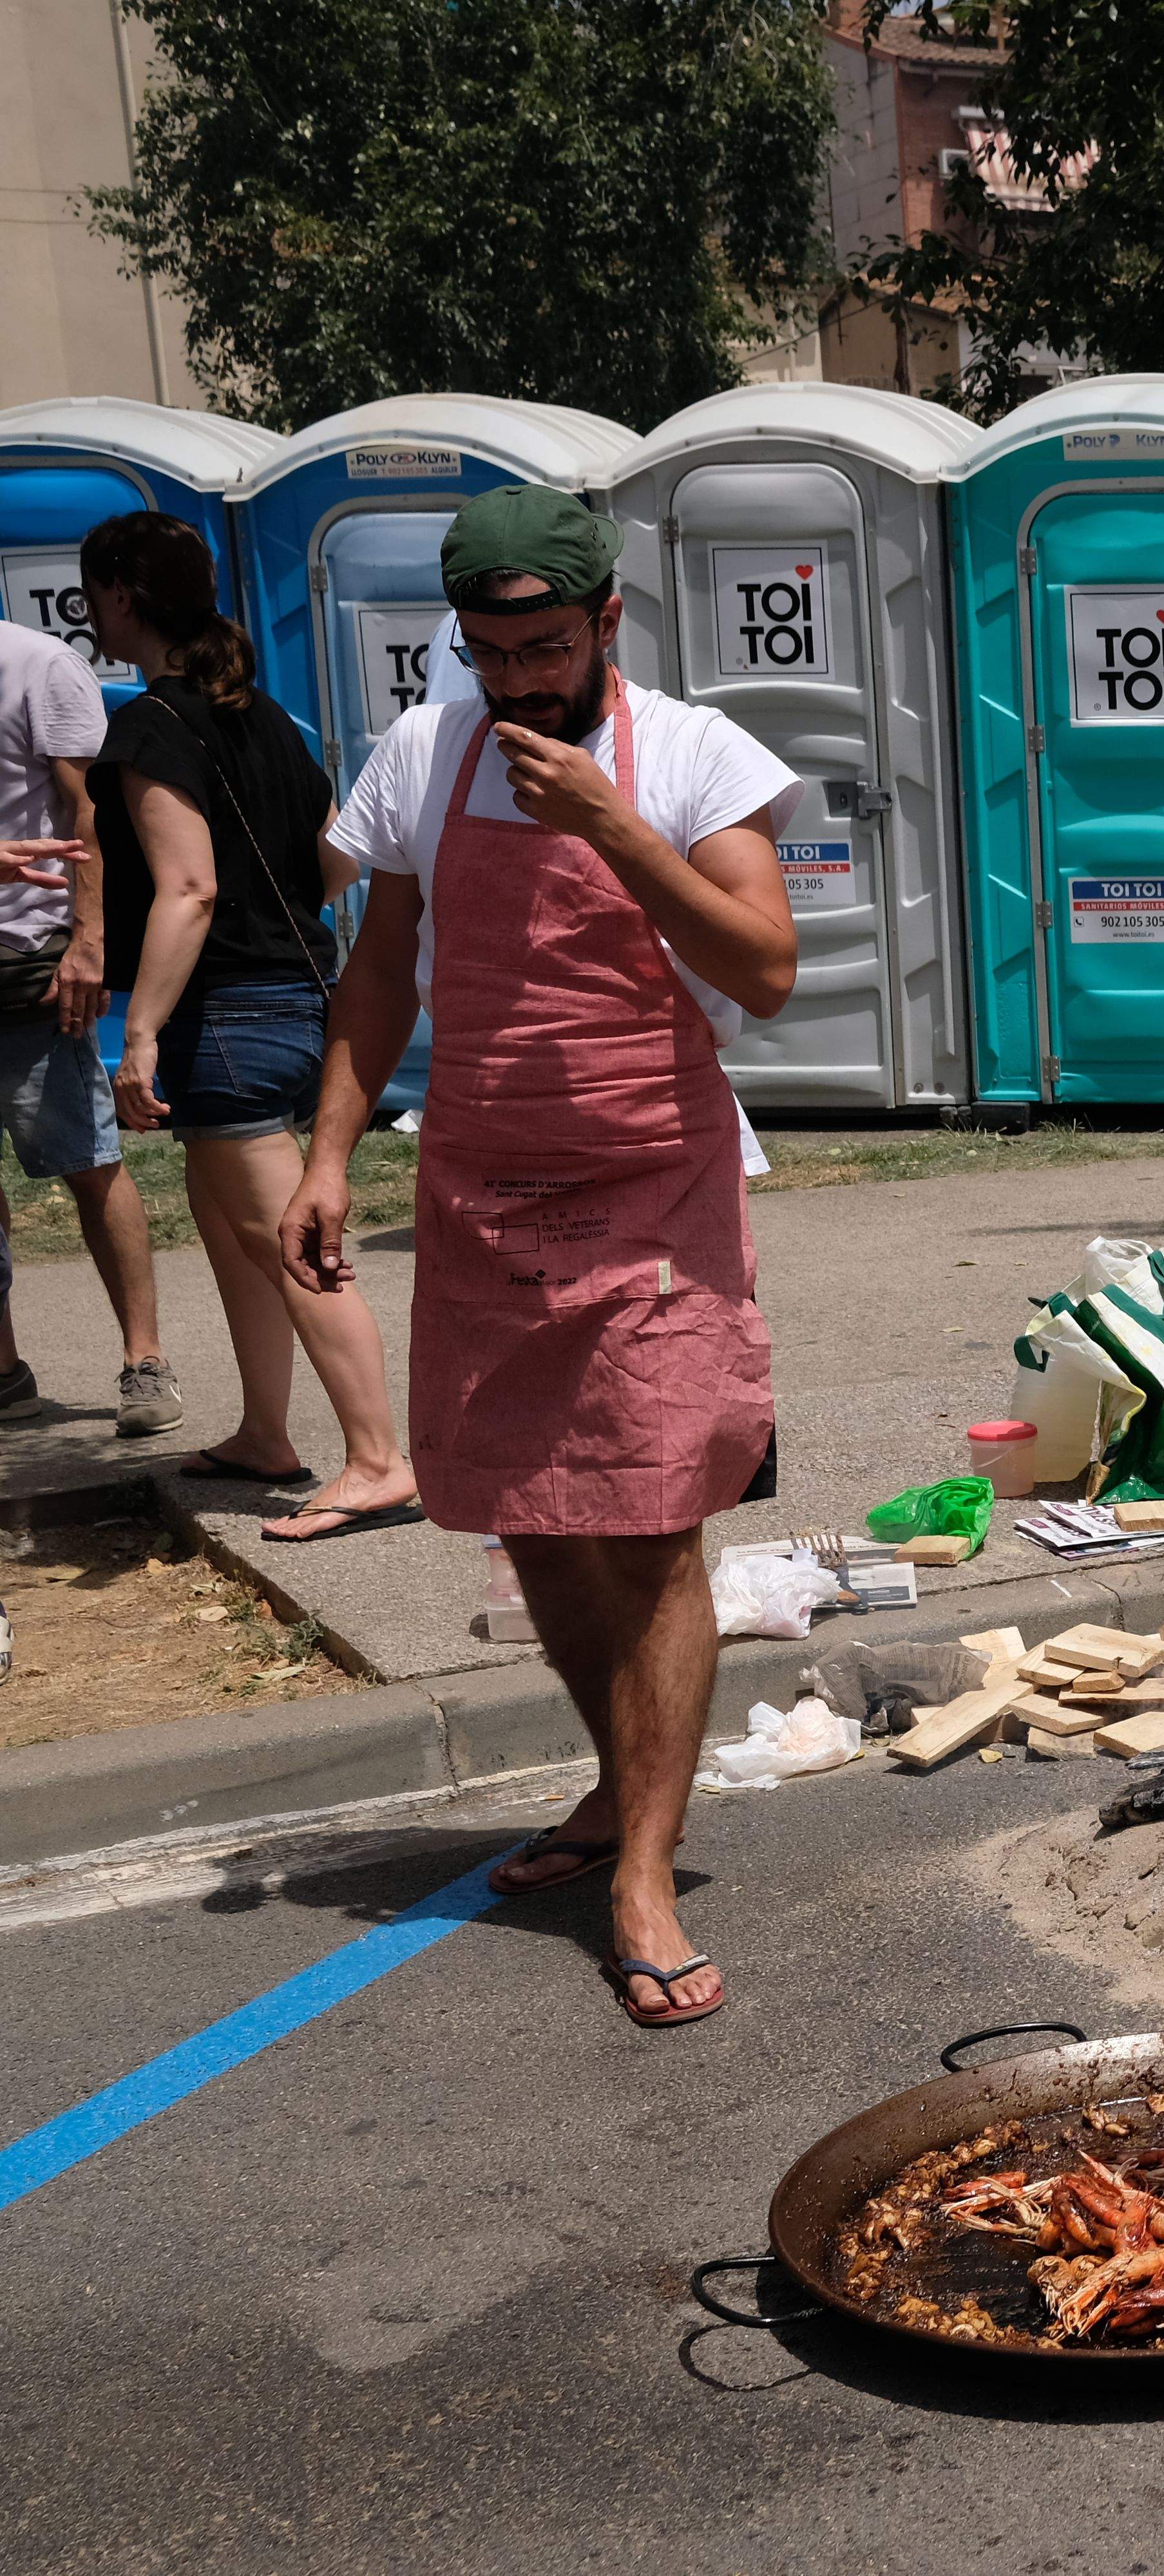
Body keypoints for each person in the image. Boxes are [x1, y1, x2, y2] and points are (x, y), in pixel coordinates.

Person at [279, 484, 799, 2031]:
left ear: (607, 627)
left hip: (651, 1188)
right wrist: (323, 1152)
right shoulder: (421, 758)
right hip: (486, 1188)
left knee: (649, 1526)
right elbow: (381, 975)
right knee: (543, 1523)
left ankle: (646, 1864)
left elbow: (762, 970)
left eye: (545, 647)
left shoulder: (698, 759)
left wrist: (612, 824)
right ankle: (610, 1786)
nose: (514, 679)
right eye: (489, 649)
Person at [68, 515, 410, 1541]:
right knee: (233, 1232)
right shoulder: (268, 721)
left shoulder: (151, 727)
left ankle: (379, 1461)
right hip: (297, 1001)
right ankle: (268, 1434)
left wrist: (139, 1039)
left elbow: (190, 889)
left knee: (289, 1241)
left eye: (95, 594)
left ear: (122, 598)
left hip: (225, 1016)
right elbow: (337, 863)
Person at [0, 611, 174, 1435]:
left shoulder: (39, 666)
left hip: (32, 961)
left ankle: (146, 1361)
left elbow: (90, 814)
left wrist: (90, 940)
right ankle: (3, 1371)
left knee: (88, 1161)